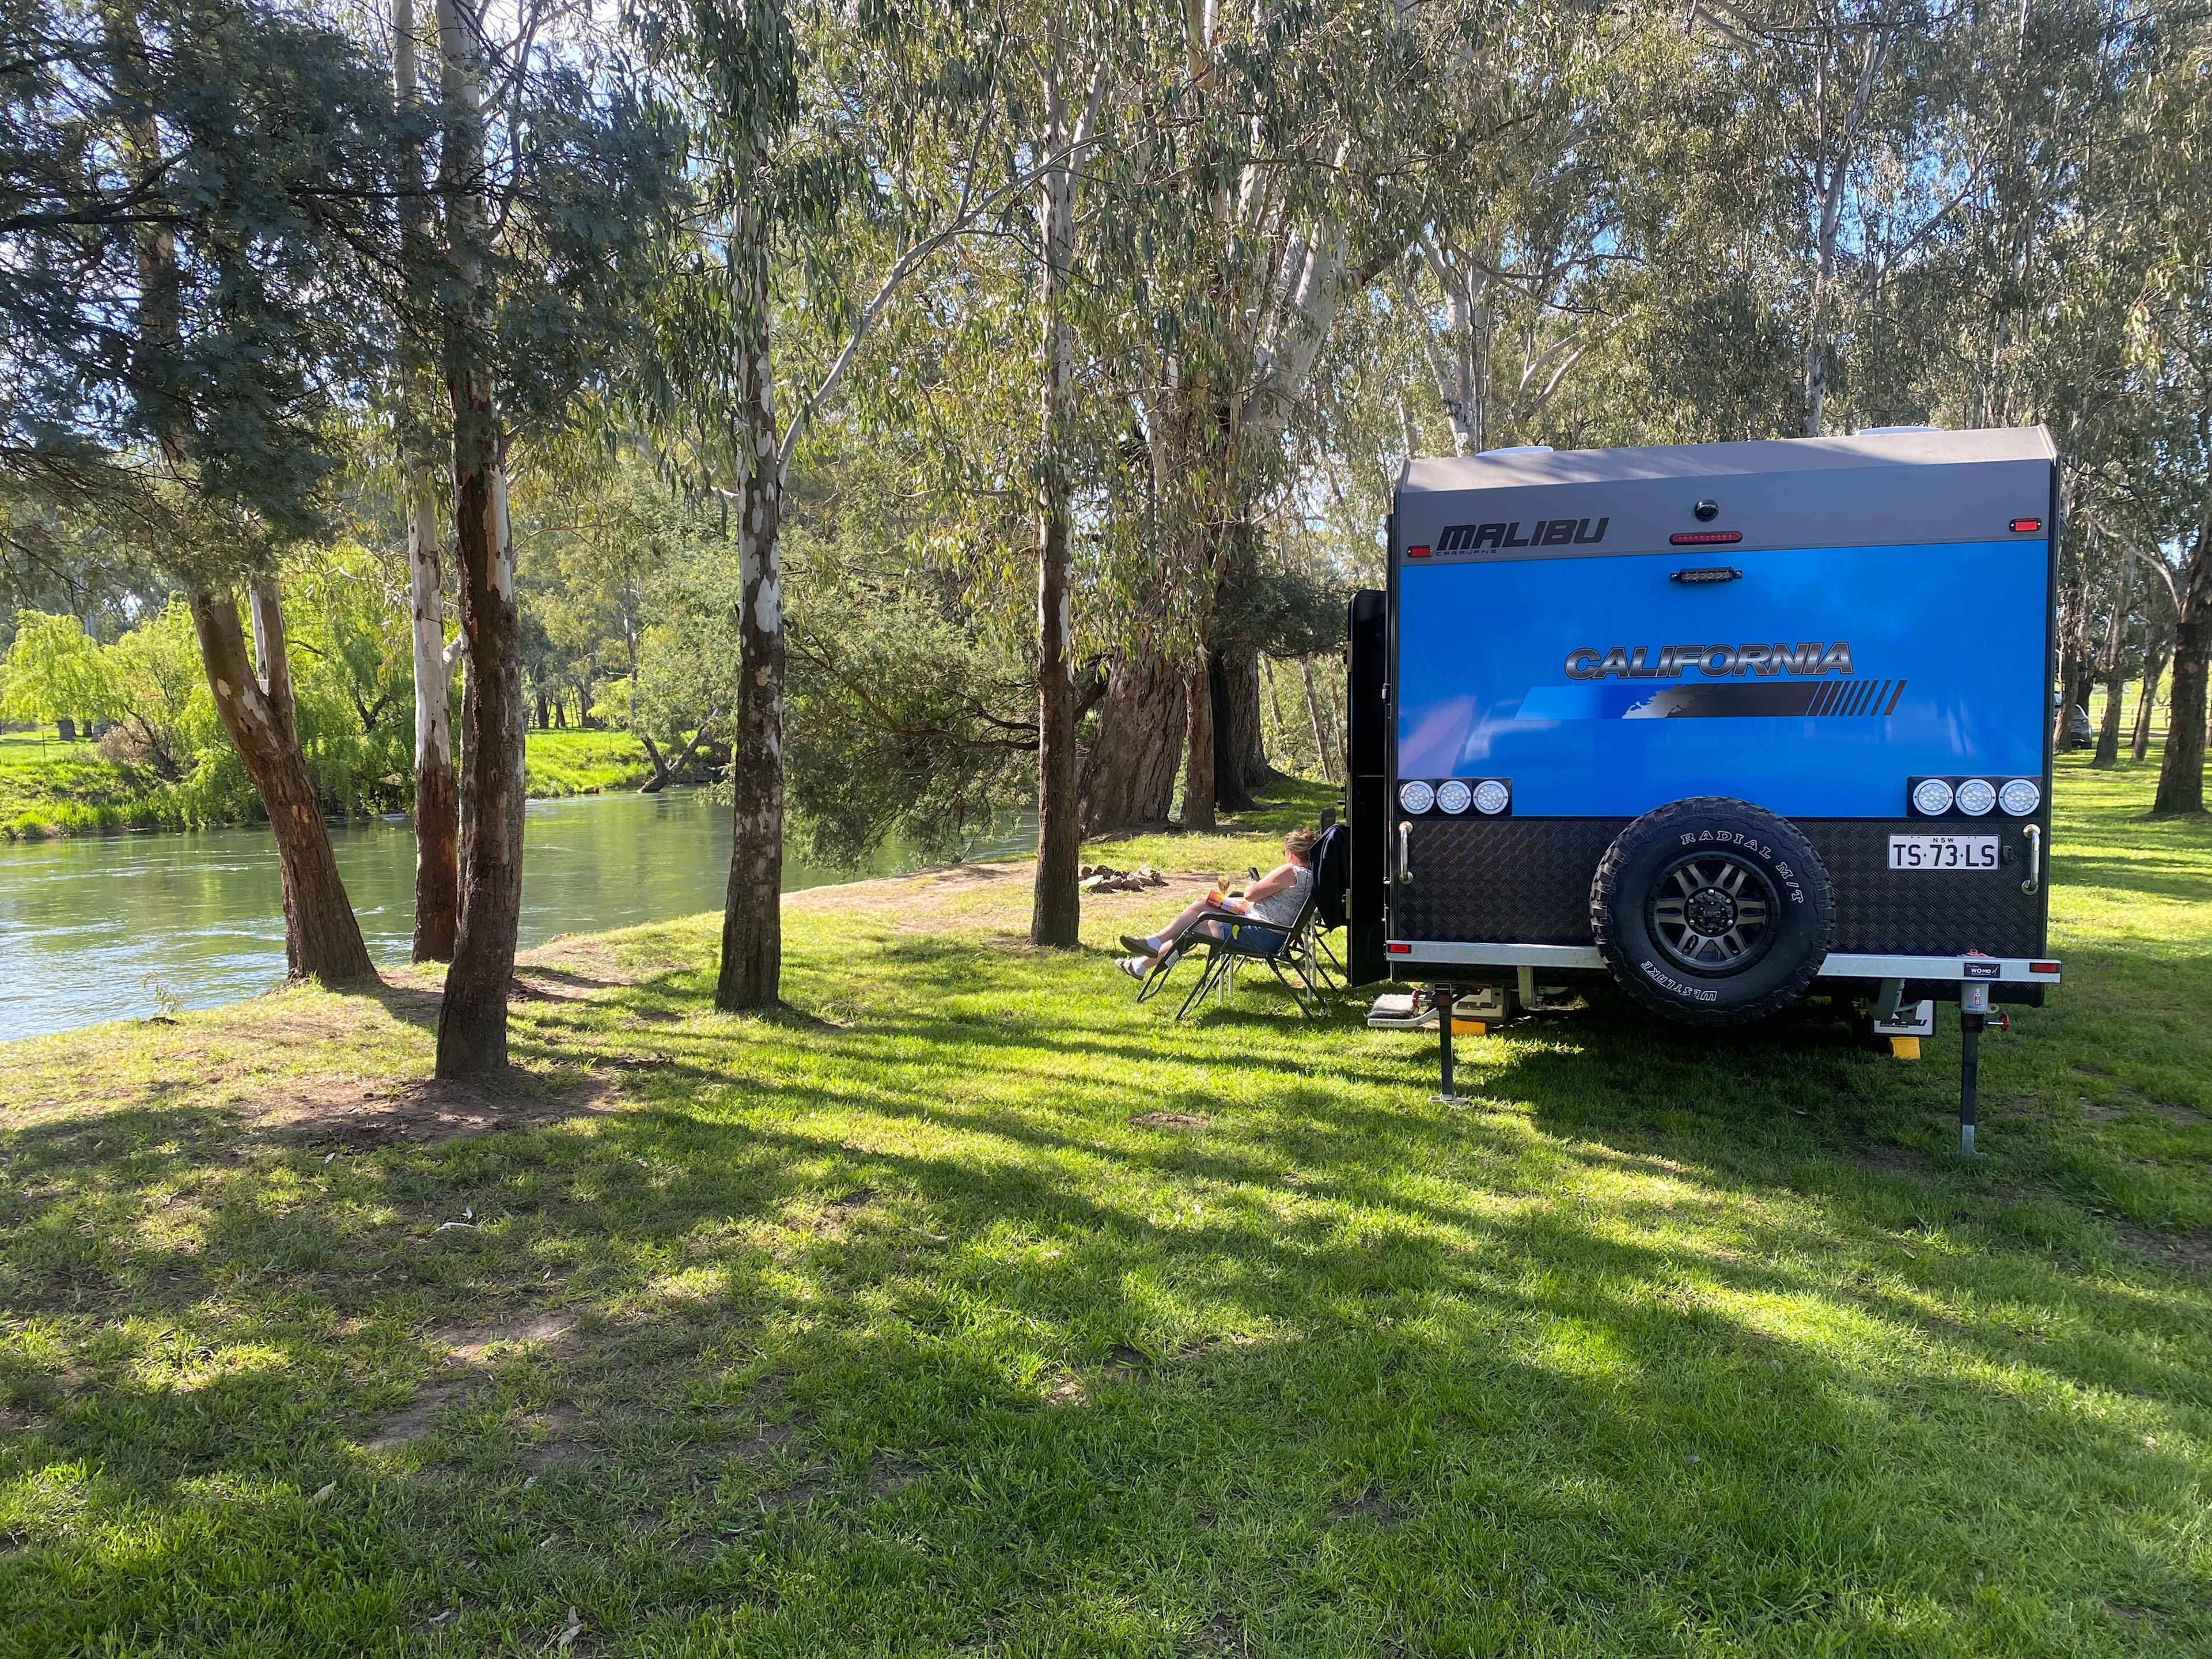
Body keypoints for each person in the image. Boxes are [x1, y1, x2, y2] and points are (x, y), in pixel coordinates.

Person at [1118, 827, 1319, 981]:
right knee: (1203, 903)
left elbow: (1250, 894)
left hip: (1259, 934)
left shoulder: (1289, 871)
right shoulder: (1312, 876)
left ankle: (1147, 955)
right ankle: (1146, 954)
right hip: (1268, 929)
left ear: (1291, 853)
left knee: (1192, 925)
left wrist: (1255, 883)